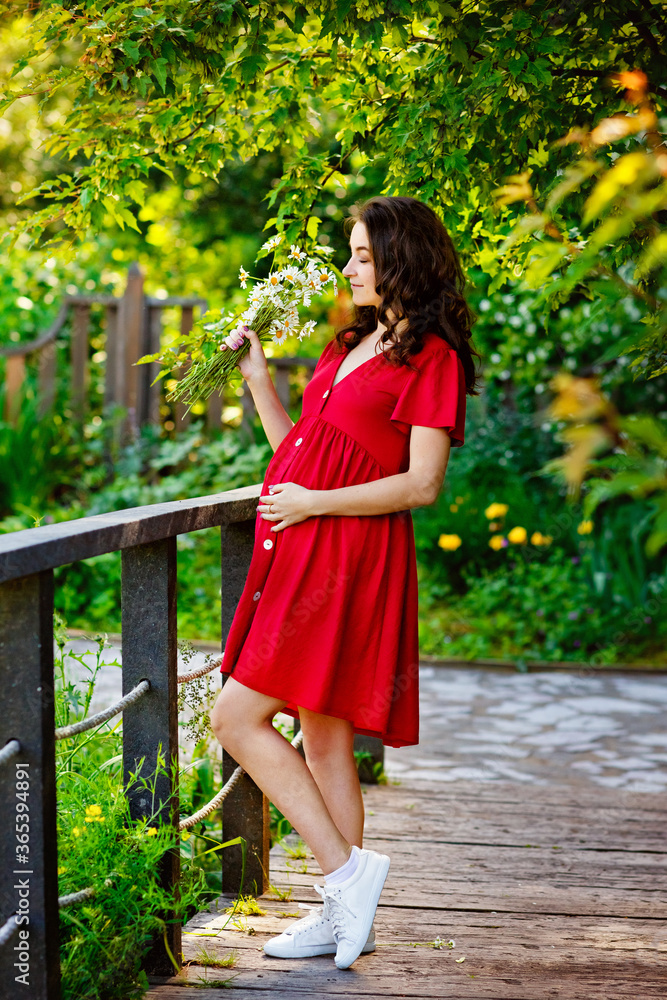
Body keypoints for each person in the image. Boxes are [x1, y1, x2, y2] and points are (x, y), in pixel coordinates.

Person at [210, 195, 479, 970]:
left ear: (403, 259)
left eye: (362, 254)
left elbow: (421, 484)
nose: (349, 268)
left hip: (350, 557)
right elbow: (301, 451)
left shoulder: (433, 358)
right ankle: (340, 914)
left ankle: (345, 873)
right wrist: (260, 381)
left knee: (235, 718)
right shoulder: (347, 346)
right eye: (350, 253)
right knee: (322, 741)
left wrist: (313, 505)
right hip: (302, 546)